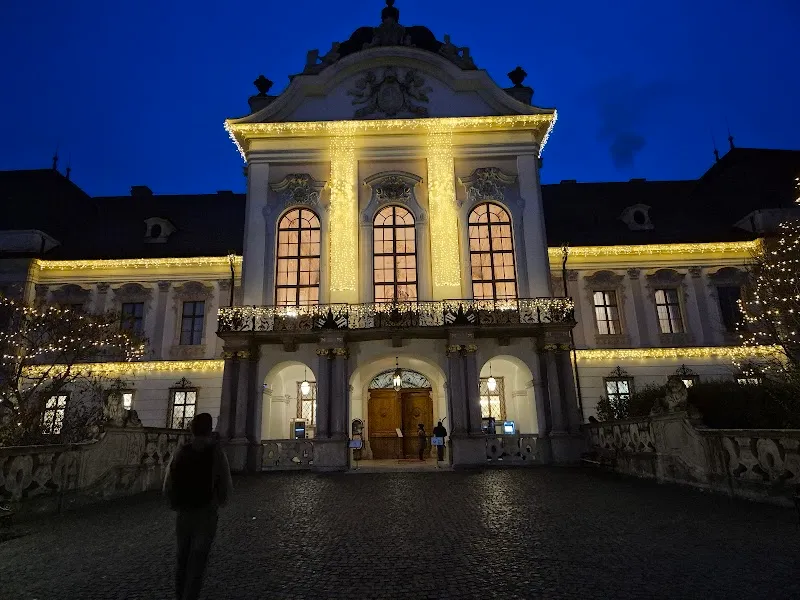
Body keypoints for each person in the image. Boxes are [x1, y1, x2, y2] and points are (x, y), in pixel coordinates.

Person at [164, 413, 233, 600]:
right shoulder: (216, 452)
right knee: (198, 560)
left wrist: (173, 501)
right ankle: (190, 596)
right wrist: (220, 500)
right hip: (205, 512)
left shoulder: (182, 450)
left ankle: (180, 595)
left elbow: (168, 481)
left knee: (182, 558)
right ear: (209, 430)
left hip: (183, 512)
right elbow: (224, 482)